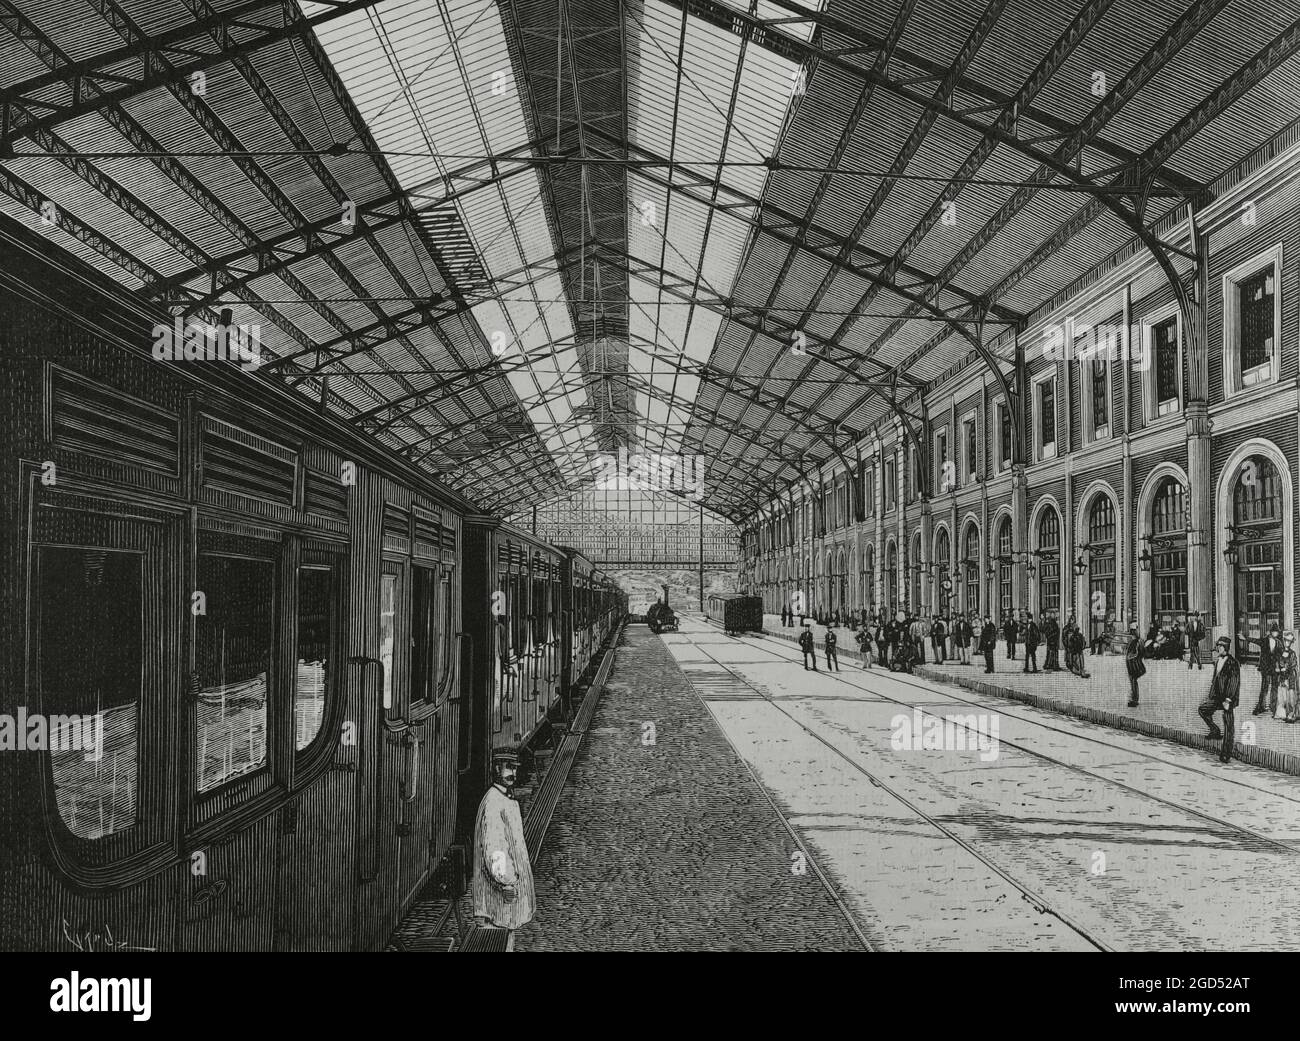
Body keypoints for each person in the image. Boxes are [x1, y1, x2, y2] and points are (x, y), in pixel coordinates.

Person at [473, 747, 536, 931]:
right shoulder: (493, 803)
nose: (513, 773)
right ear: (496, 769)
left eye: (515, 768)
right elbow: (495, 850)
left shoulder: (503, 798)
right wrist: (507, 881)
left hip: (503, 900)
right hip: (499, 898)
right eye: (508, 767)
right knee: (500, 936)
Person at [1198, 637, 1240, 763]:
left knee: (1229, 725)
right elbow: (1215, 679)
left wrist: (1228, 700)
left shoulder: (1233, 663)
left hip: (1228, 698)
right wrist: (1211, 695)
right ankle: (1215, 730)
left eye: (1220, 647)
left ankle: (1226, 753)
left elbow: (1234, 682)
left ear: (1225, 648)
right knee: (1203, 710)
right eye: (1218, 646)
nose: (1218, 649)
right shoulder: (1217, 661)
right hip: (1217, 697)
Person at [1252, 623, 1281, 716]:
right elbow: (1255, 640)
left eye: (1276, 632)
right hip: (1265, 668)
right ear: (1271, 632)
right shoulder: (1264, 640)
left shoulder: (1279, 642)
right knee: (1264, 687)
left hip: (1275, 668)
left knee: (1275, 687)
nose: (1275, 634)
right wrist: (1246, 638)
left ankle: (1273, 706)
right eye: (1274, 632)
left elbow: (1282, 654)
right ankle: (1261, 706)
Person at [1275, 633, 1300, 723]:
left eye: (1289, 641)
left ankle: (1292, 714)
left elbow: (1294, 664)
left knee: (1291, 697)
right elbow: (1277, 661)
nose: (1287, 643)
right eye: (1286, 640)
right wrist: (1278, 667)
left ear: (1291, 642)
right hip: (1282, 677)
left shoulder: (1292, 653)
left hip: (1290, 678)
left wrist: (1287, 668)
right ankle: (1283, 714)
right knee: (1283, 697)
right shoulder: (1280, 652)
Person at [1125, 621, 1145, 707]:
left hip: (1133, 664)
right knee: (1133, 681)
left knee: (1133, 681)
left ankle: (1134, 699)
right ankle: (1134, 698)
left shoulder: (1134, 641)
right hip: (1135, 663)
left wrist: (1129, 657)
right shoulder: (1138, 640)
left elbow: (1135, 653)